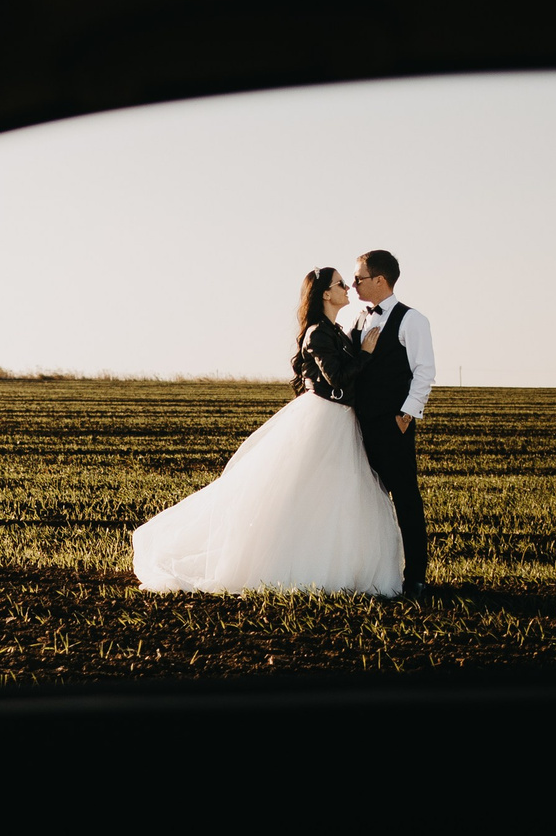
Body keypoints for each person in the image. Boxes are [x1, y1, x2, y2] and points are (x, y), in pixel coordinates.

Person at [131, 266, 404, 594]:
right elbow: (337, 378)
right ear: (325, 294)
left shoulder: (335, 331)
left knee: (331, 495)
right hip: (325, 417)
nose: (348, 287)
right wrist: (366, 354)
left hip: (340, 418)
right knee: (306, 492)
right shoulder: (318, 333)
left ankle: (330, 565)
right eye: (341, 283)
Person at [349, 250, 434, 599]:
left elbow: (424, 371)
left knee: (406, 499)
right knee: (366, 501)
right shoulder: (357, 319)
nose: (354, 284)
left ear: (380, 280)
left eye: (359, 278)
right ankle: (373, 575)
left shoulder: (412, 320)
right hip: (356, 427)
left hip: (392, 425)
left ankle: (415, 577)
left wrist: (405, 415)